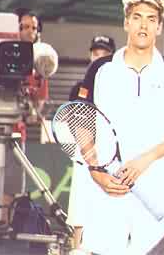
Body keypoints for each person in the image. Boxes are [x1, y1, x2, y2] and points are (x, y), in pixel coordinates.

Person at [79, 0, 164, 255]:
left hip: (155, 186)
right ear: (126, 23)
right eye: (137, 18)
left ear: (159, 27)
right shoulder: (101, 69)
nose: (143, 26)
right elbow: (82, 122)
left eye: (151, 19)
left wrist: (147, 158)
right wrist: (95, 170)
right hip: (107, 185)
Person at [2, 8, 57, 225]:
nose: (29, 32)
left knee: (12, 183)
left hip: (16, 133)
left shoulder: (39, 67)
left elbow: (37, 111)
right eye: (23, 27)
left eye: (33, 28)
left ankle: (3, 224)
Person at [66, 35, 116, 250]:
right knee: (80, 213)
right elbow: (72, 121)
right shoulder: (79, 87)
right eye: (96, 52)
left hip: (112, 159)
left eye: (104, 53)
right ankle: (77, 249)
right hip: (85, 158)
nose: (99, 57)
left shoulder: (119, 86)